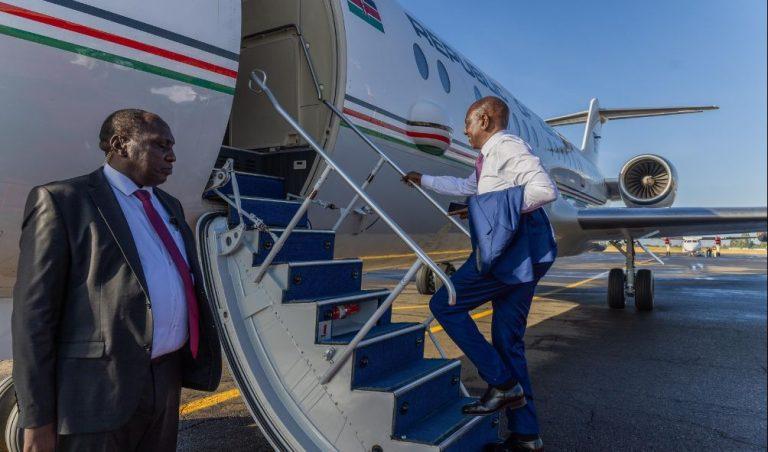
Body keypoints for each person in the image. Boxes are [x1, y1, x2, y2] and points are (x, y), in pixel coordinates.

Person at [12, 109, 222, 452]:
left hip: (164, 383)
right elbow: (33, 320)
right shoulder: (64, 202)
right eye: (160, 145)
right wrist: (36, 419)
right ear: (120, 144)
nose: (172, 156)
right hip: (95, 396)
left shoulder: (168, 206)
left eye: (172, 147)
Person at [402, 97, 558, 452]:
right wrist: (423, 179)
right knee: (508, 342)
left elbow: (543, 190)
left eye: (468, 123)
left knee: (445, 304)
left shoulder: (506, 146)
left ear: (484, 119)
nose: (465, 130)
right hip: (524, 255)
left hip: (509, 253)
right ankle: (526, 436)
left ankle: (502, 383)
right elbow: (471, 189)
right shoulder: (489, 158)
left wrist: (491, 212)